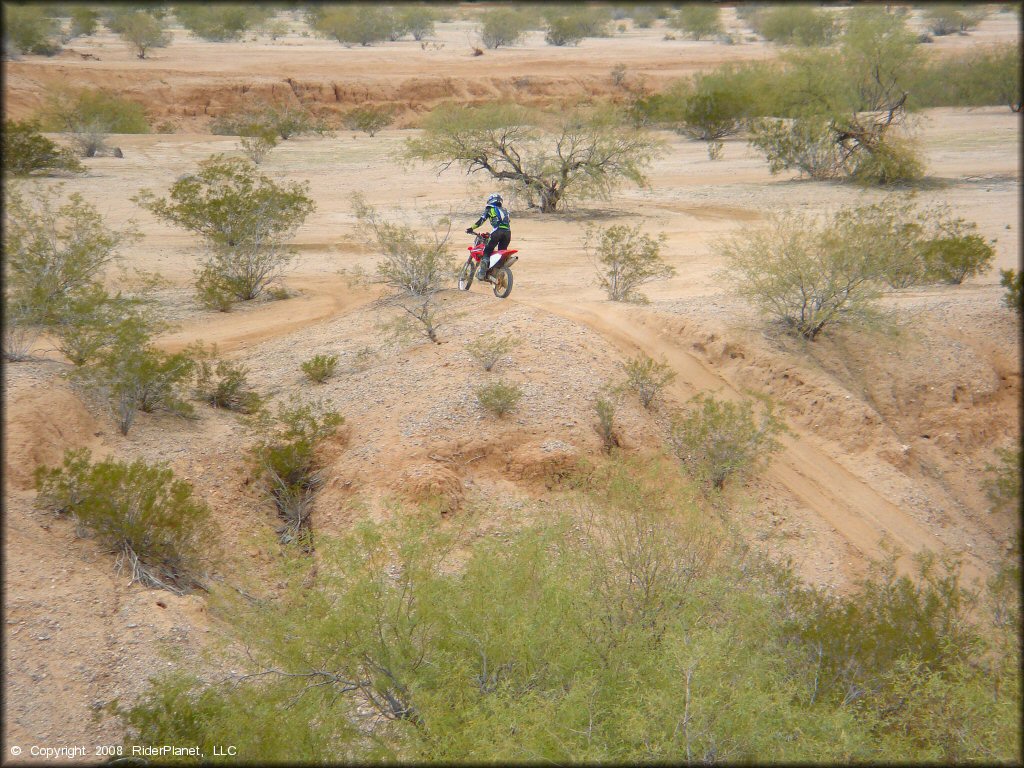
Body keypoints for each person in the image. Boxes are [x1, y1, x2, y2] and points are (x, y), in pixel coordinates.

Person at [466, 193, 511, 280]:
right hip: (508, 233)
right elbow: (508, 221)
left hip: (497, 232)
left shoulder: (490, 208)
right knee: (501, 253)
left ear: (491, 200)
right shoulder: (505, 210)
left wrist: (471, 228)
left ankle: (482, 273)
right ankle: (497, 273)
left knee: (487, 251)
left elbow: (481, 220)